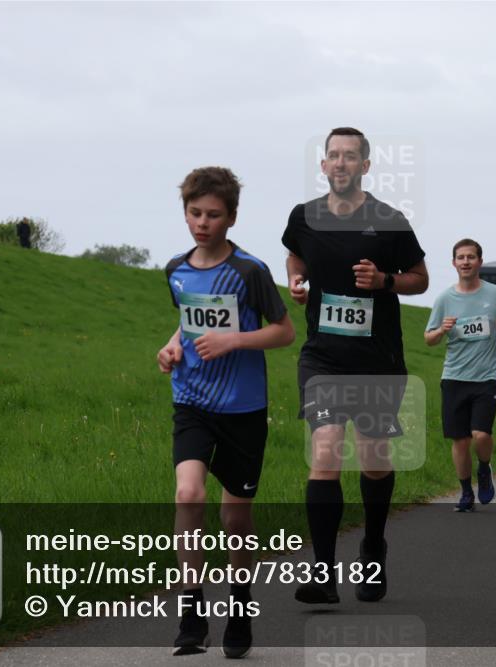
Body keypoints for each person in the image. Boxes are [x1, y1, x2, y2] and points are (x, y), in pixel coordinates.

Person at [282, 128, 429, 604]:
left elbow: (420, 279)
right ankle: (323, 573)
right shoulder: (304, 216)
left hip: (376, 359)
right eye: (333, 156)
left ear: (365, 165)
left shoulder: (389, 220)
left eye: (350, 156)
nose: (340, 163)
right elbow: (294, 256)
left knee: (373, 458)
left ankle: (372, 547)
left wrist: (385, 280)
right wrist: (296, 280)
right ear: (323, 166)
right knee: (324, 449)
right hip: (323, 355)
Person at [158, 167, 296, 657]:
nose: (202, 223)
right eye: (195, 213)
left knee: (235, 518)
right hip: (191, 400)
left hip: (242, 409)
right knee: (188, 493)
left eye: (213, 215)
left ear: (231, 217)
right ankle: (192, 613)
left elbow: (283, 332)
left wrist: (235, 339)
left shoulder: (249, 272)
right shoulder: (176, 268)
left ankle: (239, 605)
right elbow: (187, 324)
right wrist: (172, 347)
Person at [425, 239, 496, 511]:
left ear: (480, 262)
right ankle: (466, 493)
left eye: (471, 257)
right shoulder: (444, 299)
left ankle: (485, 469)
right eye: (461, 257)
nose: (466, 262)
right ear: (454, 263)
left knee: (480, 435)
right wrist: (441, 330)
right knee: (460, 440)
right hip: (454, 377)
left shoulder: (495, 293)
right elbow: (429, 338)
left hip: (488, 376)